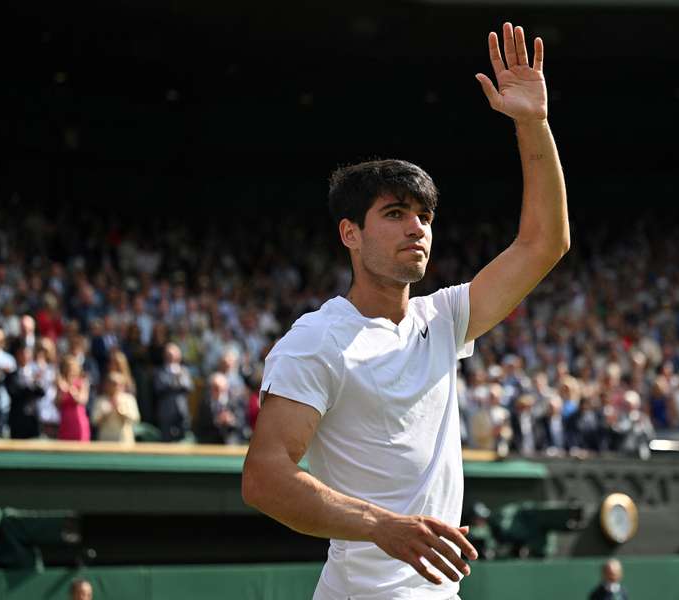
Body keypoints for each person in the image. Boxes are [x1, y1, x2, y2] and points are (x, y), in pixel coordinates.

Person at [243, 21, 568, 600]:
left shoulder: (443, 318)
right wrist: (382, 526)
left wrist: (533, 123)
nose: (416, 227)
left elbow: (544, 244)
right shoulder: (315, 340)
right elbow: (266, 479)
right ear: (350, 233)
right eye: (395, 213)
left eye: (424, 215)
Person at [152, 343, 193, 442]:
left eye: (173, 354)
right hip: (166, 411)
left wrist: (172, 384)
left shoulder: (184, 371)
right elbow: (159, 387)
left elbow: (189, 387)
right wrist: (176, 383)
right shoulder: (159, 371)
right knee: (166, 439)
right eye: (169, 354)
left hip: (182, 410)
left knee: (183, 439)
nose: (171, 356)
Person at [91, 372, 140, 443]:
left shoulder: (129, 399)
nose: (115, 387)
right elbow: (94, 421)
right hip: (105, 441)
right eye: (112, 384)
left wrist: (121, 412)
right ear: (106, 385)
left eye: (118, 384)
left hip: (124, 441)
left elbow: (135, 419)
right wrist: (106, 413)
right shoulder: (100, 400)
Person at [56, 356, 91, 442]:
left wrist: (69, 389)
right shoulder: (61, 384)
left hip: (79, 423)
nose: (70, 371)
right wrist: (61, 390)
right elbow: (57, 403)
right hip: (65, 423)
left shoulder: (82, 383)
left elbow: (82, 400)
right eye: (67, 368)